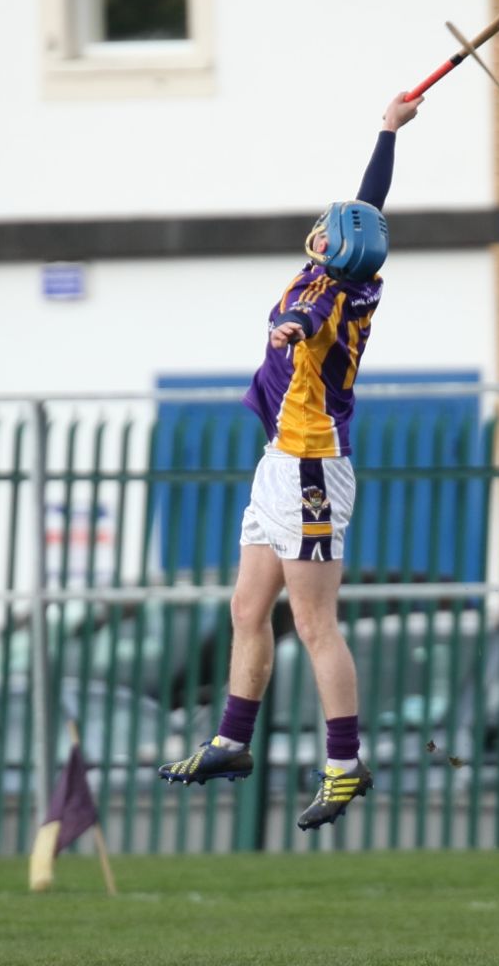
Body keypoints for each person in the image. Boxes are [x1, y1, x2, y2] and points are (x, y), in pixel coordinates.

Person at [158, 93, 424, 831]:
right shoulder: (348, 267)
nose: (318, 228)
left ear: (328, 249)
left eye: (324, 230)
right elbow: (368, 208)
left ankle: (344, 764)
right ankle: (231, 741)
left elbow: (304, 319)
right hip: (278, 461)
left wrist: (287, 327)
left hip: (310, 472)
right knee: (248, 608)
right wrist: (387, 131)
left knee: (314, 622)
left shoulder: (326, 300)